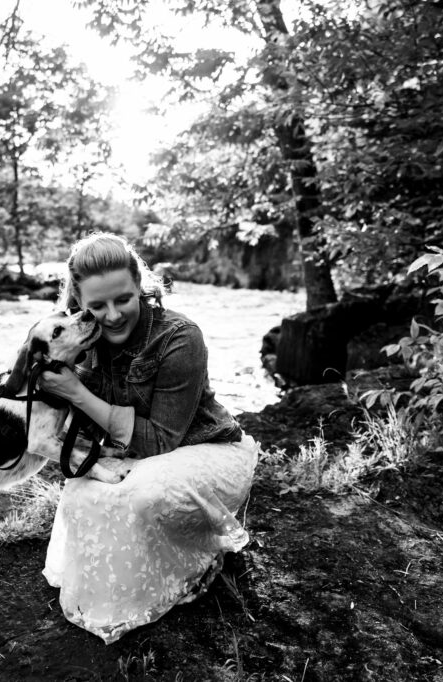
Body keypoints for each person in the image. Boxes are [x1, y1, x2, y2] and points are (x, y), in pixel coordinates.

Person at [37, 232, 259, 644]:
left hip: (204, 449)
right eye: (96, 306)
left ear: (140, 285)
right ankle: (148, 573)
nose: (113, 315)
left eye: (123, 299)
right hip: (135, 453)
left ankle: (201, 556)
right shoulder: (77, 338)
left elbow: (160, 440)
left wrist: (77, 393)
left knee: (145, 495)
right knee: (82, 494)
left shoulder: (179, 337)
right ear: (77, 302)